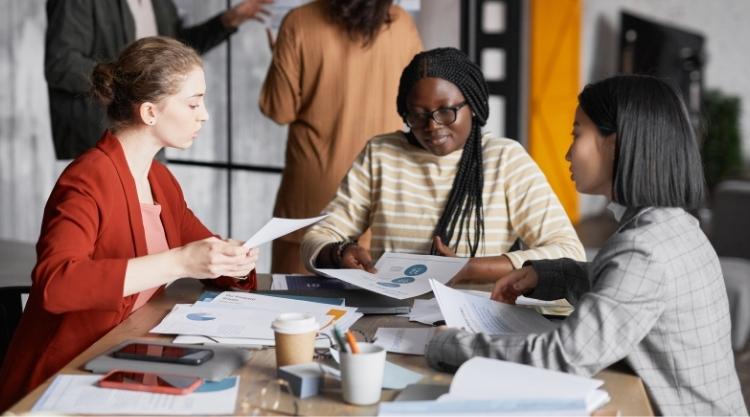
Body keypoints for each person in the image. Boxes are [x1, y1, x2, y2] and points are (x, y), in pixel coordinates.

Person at [424, 75, 748, 416]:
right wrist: (548, 275)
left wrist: (447, 343)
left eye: (577, 134)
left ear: (616, 143)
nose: (567, 152)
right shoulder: (674, 226)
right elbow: (621, 290)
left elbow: (560, 357)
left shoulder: (644, 251)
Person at [0, 37, 260, 410]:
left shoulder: (161, 181)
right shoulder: (87, 179)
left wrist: (233, 261)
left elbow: (205, 253)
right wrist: (180, 262)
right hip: (64, 374)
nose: (204, 114)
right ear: (150, 112)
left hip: (126, 355)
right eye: (193, 103)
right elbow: (55, 285)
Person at [300, 48, 585, 282]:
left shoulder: (505, 160)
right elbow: (318, 235)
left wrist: (470, 268)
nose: (432, 127)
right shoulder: (382, 153)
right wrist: (338, 252)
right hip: (394, 314)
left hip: (478, 319)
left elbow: (569, 254)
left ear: (472, 105)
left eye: (446, 112)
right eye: (418, 115)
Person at [259, 0, 423, 273]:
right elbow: (418, 100)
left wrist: (279, 58)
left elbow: (280, 110)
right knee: (377, 308)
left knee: (293, 306)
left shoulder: (299, 22)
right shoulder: (401, 22)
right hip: (380, 193)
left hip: (312, 199)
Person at [45, 0, 272, 160]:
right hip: (102, 135)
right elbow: (60, 63)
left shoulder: (160, 3)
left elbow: (175, 52)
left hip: (152, 131)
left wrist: (228, 21)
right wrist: (128, 84)